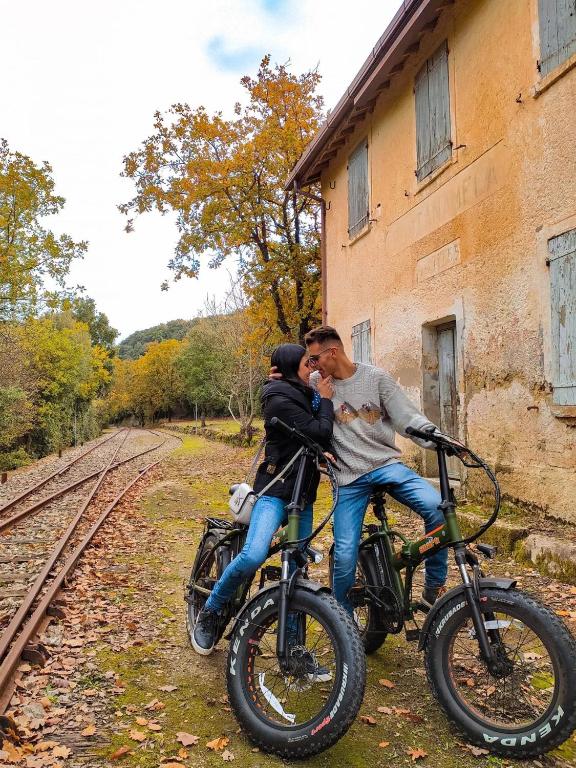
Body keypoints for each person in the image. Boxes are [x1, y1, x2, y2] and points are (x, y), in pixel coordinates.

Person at [279, 326, 447, 615]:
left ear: (333, 352)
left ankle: (433, 589)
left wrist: (440, 440)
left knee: (437, 507)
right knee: (345, 555)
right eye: (310, 360)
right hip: (348, 477)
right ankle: (343, 621)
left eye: (316, 358)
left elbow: (407, 418)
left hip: (386, 465)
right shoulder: (315, 383)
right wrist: (278, 381)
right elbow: (288, 394)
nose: (313, 365)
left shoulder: (375, 378)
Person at [192, 343, 335, 657]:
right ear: (290, 368)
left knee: (296, 567)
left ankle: (294, 648)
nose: (312, 367)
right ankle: (211, 610)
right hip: (275, 491)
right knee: (254, 554)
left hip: (303, 495)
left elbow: (319, 435)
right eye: (306, 363)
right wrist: (325, 399)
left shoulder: (302, 393)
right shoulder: (279, 399)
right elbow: (320, 431)